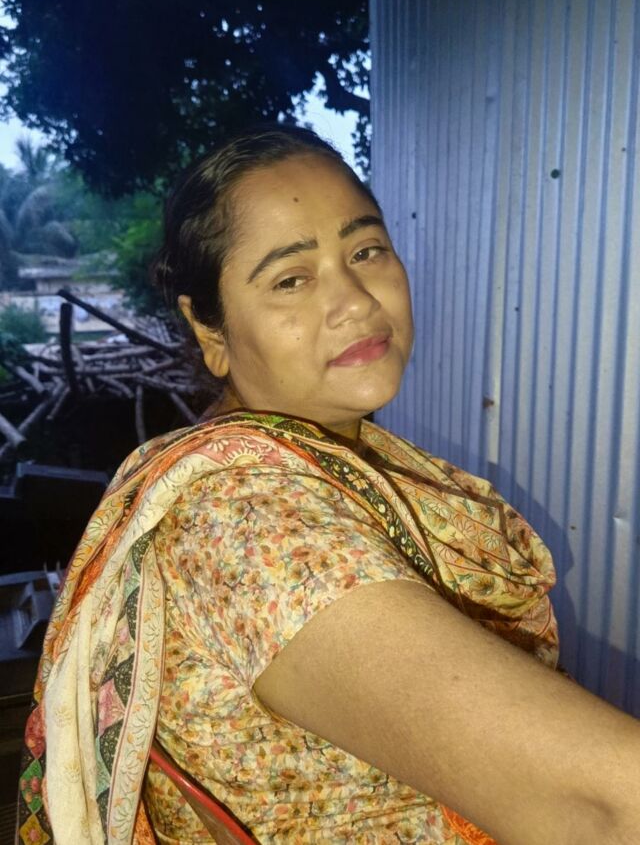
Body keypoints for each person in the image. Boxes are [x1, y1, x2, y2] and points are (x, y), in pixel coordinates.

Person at [17, 126, 639, 845]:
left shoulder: (341, 457)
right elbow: (607, 804)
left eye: (366, 250)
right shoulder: (249, 523)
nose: (354, 301)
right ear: (208, 329)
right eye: (291, 278)